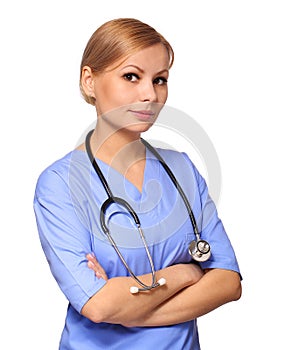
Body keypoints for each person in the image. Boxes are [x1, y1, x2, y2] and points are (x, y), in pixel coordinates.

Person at [33, 18, 242, 350]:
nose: (150, 94)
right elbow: (98, 306)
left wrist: (131, 311)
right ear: (89, 81)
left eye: (160, 80)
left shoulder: (181, 169)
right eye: (131, 76)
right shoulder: (58, 185)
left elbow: (228, 282)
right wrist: (184, 275)